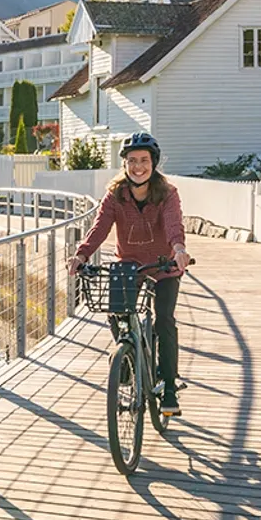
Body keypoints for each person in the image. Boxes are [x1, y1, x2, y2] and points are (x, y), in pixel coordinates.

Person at [67, 133, 191, 416]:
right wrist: (82, 254)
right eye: (132, 161)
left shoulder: (167, 193)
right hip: (128, 266)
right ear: (124, 164)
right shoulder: (115, 195)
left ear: (153, 163)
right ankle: (129, 357)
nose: (138, 167)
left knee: (164, 320)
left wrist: (179, 249)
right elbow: (99, 228)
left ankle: (169, 385)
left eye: (144, 161)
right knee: (116, 313)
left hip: (164, 266)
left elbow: (174, 225)